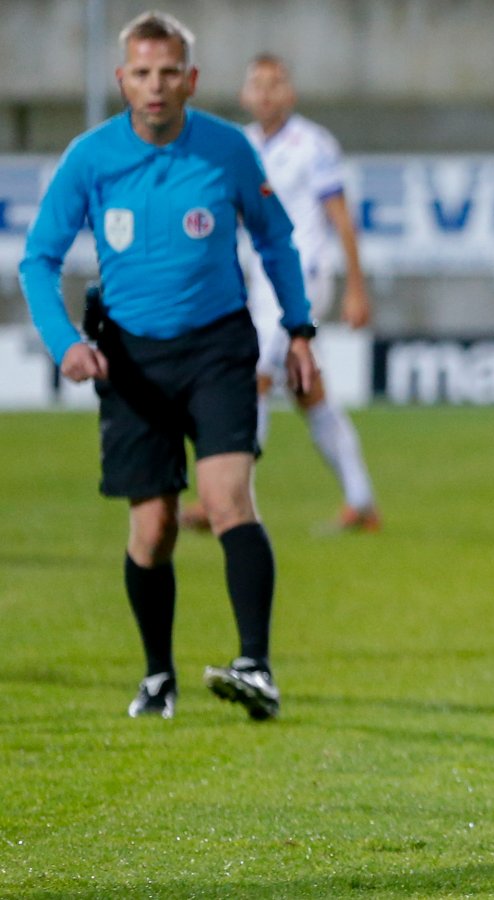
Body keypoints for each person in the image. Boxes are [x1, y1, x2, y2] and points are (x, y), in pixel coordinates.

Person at [19, 10, 316, 721]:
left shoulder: (226, 150)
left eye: (169, 73)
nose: (155, 86)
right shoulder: (91, 158)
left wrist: (299, 328)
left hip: (218, 347)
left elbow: (276, 239)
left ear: (192, 80)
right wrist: (66, 343)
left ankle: (256, 667)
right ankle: (158, 676)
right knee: (152, 530)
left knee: (227, 500)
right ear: (123, 80)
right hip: (130, 359)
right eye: (142, 73)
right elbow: (38, 260)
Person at [180, 53, 379, 533]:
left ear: (290, 93)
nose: (266, 92)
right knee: (308, 392)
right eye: (258, 83)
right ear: (245, 94)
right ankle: (361, 502)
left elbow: (341, 219)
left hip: (303, 279)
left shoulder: (314, 144)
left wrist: (356, 287)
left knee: (253, 375)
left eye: (276, 83)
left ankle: (225, 500)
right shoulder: (239, 146)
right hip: (258, 284)